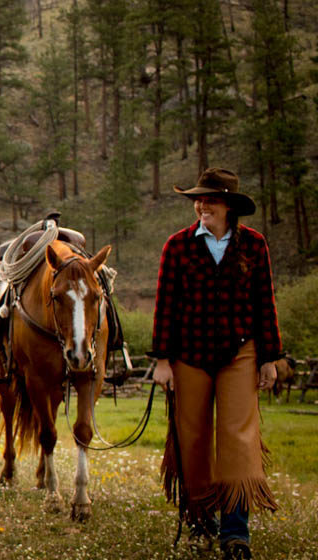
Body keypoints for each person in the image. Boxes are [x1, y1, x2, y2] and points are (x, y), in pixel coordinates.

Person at [150, 167, 281, 560]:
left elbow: (265, 304)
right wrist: (161, 360)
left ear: (228, 206)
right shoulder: (177, 246)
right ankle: (200, 522)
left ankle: (235, 531)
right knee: (192, 440)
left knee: (238, 439)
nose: (201, 204)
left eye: (209, 199)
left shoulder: (254, 246)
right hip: (188, 354)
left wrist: (270, 358)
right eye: (198, 199)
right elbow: (166, 307)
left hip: (240, 353)